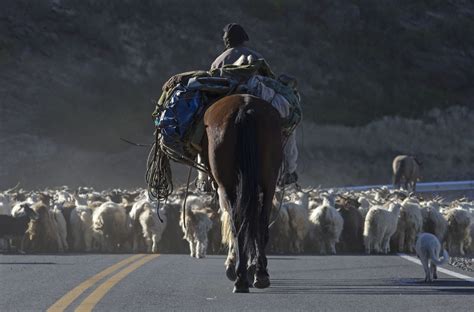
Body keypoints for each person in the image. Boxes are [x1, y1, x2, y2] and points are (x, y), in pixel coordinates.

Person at [201, 23, 298, 188]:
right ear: (244, 39)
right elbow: (269, 80)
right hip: (256, 100)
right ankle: (289, 170)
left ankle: (204, 179)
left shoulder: (218, 61)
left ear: (227, 41)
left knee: (205, 128)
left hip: (224, 100)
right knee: (288, 127)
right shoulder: (256, 57)